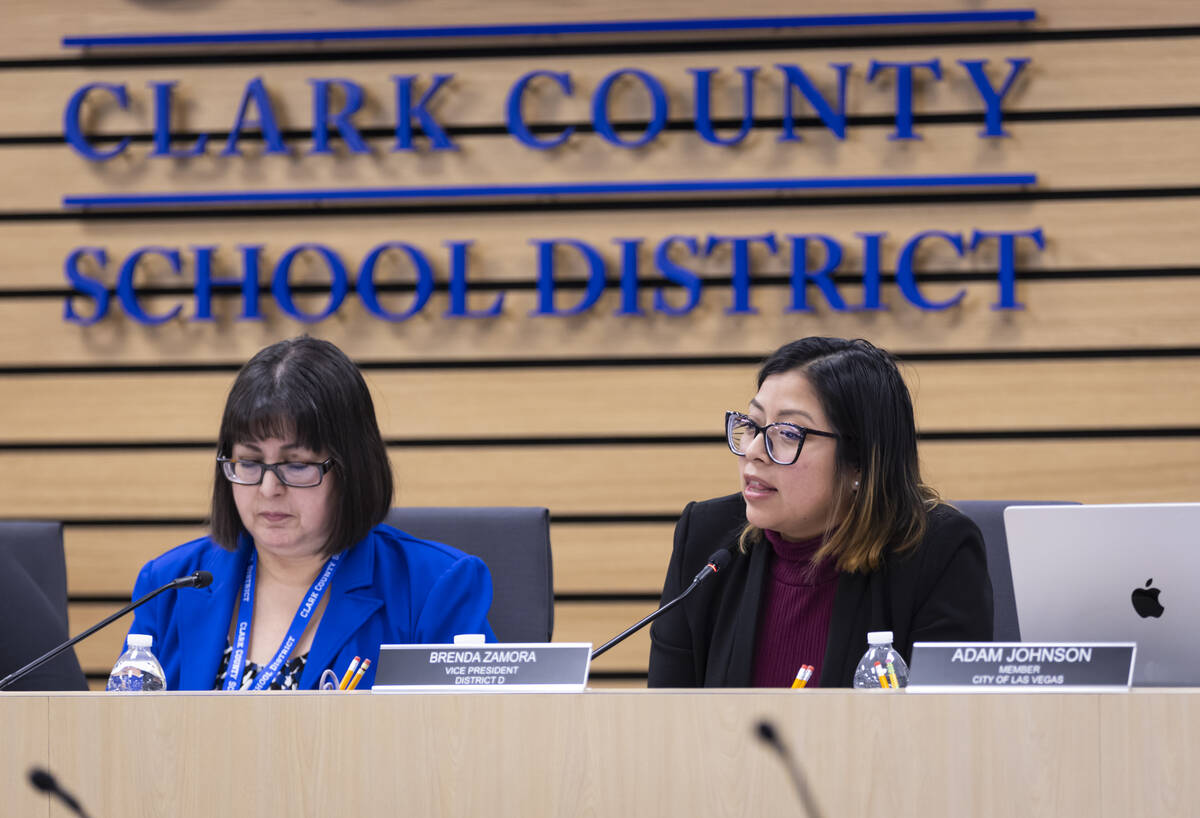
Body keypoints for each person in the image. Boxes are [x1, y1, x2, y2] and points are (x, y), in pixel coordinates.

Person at [125, 336, 495, 690]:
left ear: (351, 469)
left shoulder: (433, 588)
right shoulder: (171, 584)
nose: (269, 489)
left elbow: (469, 741)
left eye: (297, 465)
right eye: (250, 463)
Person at [647, 337, 993, 688]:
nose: (753, 451)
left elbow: (948, 726)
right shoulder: (705, 538)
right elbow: (665, 720)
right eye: (752, 425)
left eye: (787, 433)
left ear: (859, 461)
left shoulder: (935, 551)